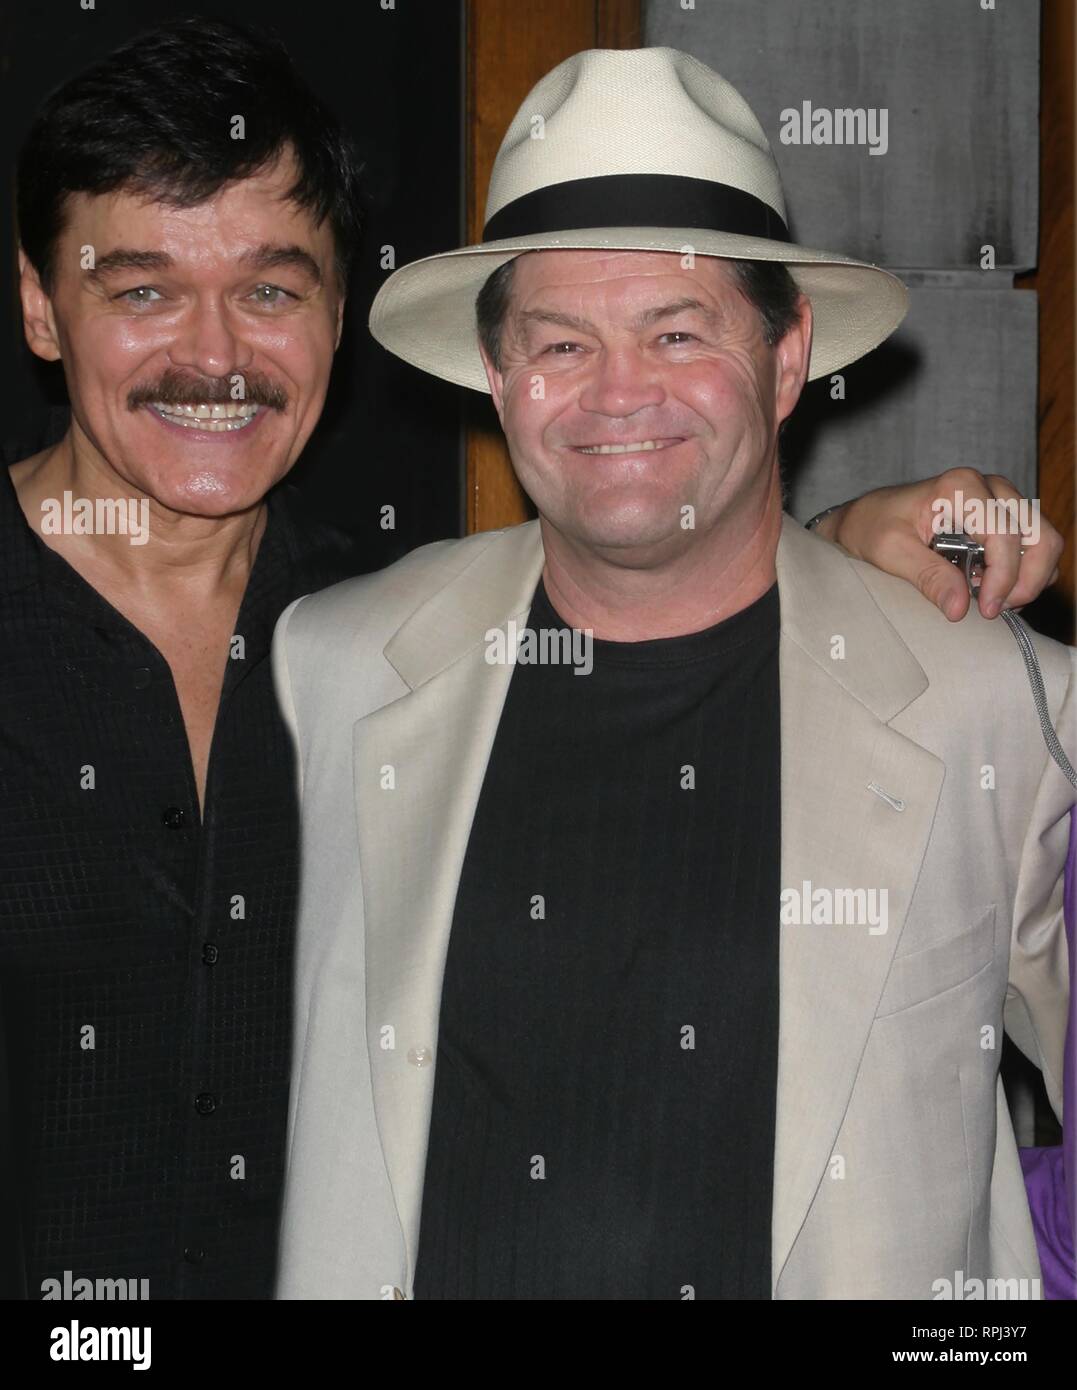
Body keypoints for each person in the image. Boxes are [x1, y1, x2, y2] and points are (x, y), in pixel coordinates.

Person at [271, 47, 1075, 1300]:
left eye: (679, 329)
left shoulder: (994, 701)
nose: (619, 395)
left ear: (788, 352)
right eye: (560, 343)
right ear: (497, 373)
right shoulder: (330, 664)